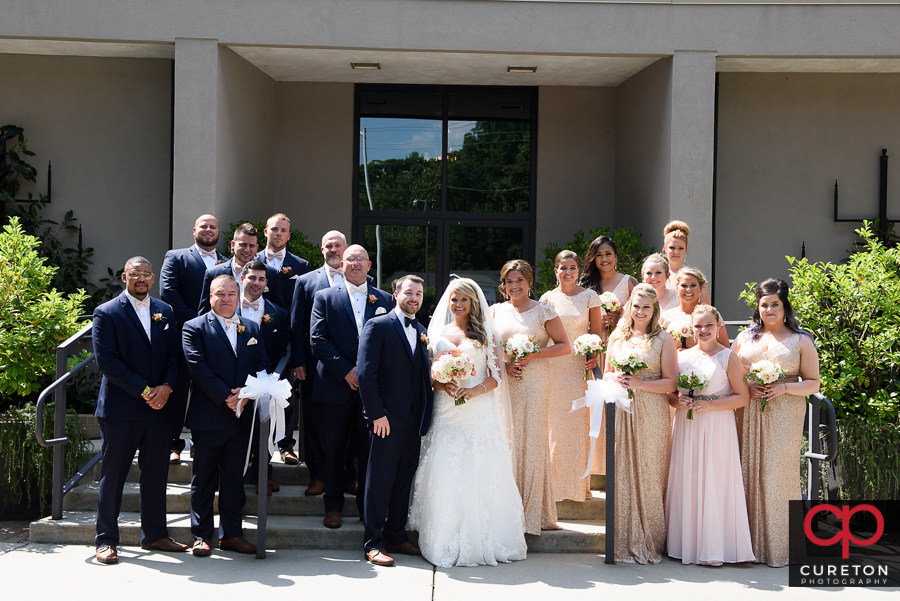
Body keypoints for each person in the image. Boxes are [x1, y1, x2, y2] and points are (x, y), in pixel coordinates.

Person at [409, 278, 527, 567]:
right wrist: (444, 385)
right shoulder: (436, 331)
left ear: (473, 302)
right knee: (445, 465)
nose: (458, 304)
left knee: (480, 467)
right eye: (453, 299)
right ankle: (442, 536)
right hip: (447, 409)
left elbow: (496, 376)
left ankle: (485, 536)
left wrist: (475, 390)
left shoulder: (487, 332)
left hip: (478, 410)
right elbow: (428, 376)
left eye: (463, 299)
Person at [91, 257, 186, 564]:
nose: (142, 278)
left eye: (147, 274)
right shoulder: (106, 312)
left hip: (159, 408)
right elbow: (108, 361)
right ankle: (106, 540)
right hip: (121, 408)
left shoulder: (165, 311)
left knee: (157, 474)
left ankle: (156, 534)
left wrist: (167, 387)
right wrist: (146, 391)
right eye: (136, 274)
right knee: (114, 475)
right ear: (124, 277)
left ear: (153, 277)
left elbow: (175, 353)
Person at [732, 278, 820, 568]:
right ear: (758, 307)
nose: (769, 309)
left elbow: (812, 383)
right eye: (764, 304)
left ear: (784, 307)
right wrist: (748, 384)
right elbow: (732, 372)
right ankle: (745, 547)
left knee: (776, 475)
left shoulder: (801, 340)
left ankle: (780, 549)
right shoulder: (745, 338)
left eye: (775, 304)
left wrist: (783, 388)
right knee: (746, 471)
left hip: (785, 413)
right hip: (748, 410)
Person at [182, 275, 268, 557]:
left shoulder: (252, 327)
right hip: (208, 415)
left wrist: (245, 393)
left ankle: (232, 534)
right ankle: (201, 536)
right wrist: (226, 396)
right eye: (220, 293)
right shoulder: (193, 327)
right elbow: (197, 366)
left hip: (242, 416)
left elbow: (262, 365)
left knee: (234, 479)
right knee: (204, 478)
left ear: (238, 294)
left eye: (232, 293)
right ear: (210, 296)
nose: (227, 298)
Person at [310, 245, 394, 530]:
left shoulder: (385, 299)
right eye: (350, 259)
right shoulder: (324, 297)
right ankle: (332, 506)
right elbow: (318, 339)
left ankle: (366, 510)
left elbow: (391, 344)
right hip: (335, 387)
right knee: (334, 450)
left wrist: (368, 375)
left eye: (361, 259)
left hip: (372, 391)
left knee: (369, 451)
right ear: (341, 265)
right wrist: (346, 371)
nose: (356, 264)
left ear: (369, 265)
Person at [665, 304, 754, 565]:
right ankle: (686, 545)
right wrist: (676, 401)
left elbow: (743, 398)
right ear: (691, 328)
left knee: (715, 480)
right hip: (687, 424)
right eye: (698, 326)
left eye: (708, 325)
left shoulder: (729, 357)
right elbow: (670, 394)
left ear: (718, 327)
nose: (703, 330)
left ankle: (716, 547)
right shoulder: (681, 357)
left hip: (717, 425)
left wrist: (710, 405)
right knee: (687, 479)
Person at [357, 275, 434, 567]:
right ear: (396, 293)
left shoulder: (423, 329)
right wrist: (377, 413)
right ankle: (373, 543)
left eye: (419, 293)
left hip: (414, 420)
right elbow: (365, 373)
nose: (414, 298)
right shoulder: (377, 326)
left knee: (404, 481)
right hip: (385, 420)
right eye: (409, 292)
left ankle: (397, 535)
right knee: (379, 482)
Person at [491, 259, 571, 535]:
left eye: (519, 281)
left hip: (536, 382)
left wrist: (533, 354)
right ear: (504, 285)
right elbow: (489, 348)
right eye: (509, 281)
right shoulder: (495, 311)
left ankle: (533, 513)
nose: (514, 286)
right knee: (507, 440)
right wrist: (505, 364)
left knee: (532, 442)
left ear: (529, 282)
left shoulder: (544, 311)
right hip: (506, 383)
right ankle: (506, 511)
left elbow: (564, 346)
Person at [603, 284, 677, 563]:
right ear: (629, 307)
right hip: (622, 410)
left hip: (652, 412)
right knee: (622, 472)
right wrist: (619, 378)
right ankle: (620, 540)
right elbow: (606, 374)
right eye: (636, 306)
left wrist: (639, 383)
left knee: (649, 472)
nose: (641, 311)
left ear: (655, 310)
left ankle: (650, 539)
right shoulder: (617, 337)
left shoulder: (663, 339)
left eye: (647, 307)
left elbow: (671, 382)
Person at [289, 230, 358, 494]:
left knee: (352, 423)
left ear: (346, 248)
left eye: (337, 245)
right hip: (316, 366)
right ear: (321, 250)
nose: (333, 250)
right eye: (328, 246)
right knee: (315, 424)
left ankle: (350, 476)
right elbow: (297, 325)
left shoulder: (366, 281)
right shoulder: (306, 282)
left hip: (351, 367)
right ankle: (317, 476)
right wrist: (298, 360)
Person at [160, 214, 226, 464]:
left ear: (219, 232)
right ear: (194, 230)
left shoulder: (226, 262)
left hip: (217, 339)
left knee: (208, 390)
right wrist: (195, 323)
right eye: (204, 226)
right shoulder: (176, 257)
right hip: (182, 335)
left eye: (213, 227)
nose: (208, 230)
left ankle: (201, 442)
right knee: (177, 391)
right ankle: (173, 444)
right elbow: (168, 292)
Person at [539, 251, 603, 502]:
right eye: (563, 267)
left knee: (576, 425)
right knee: (554, 426)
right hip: (553, 367)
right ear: (556, 271)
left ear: (579, 270)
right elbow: (544, 335)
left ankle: (576, 487)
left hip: (578, 369)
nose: (568, 272)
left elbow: (596, 335)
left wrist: (594, 355)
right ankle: (553, 487)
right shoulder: (547, 299)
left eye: (573, 267)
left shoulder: (590, 297)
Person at [579, 236, 635, 476]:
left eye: (608, 253)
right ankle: (594, 466)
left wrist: (619, 318)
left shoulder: (629, 281)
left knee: (616, 405)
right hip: (593, 350)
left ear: (616, 256)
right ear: (593, 258)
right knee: (592, 406)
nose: (604, 259)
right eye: (599, 254)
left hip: (619, 350)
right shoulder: (585, 284)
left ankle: (615, 464)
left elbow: (642, 313)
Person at [239, 260, 290, 497]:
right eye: (252, 278)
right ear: (242, 278)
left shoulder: (278, 314)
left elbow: (282, 350)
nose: (256, 283)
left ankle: (262, 474)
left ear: (267, 283)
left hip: (265, 381)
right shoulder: (229, 307)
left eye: (261, 279)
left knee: (264, 429)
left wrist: (273, 378)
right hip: (234, 381)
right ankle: (230, 474)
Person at [198, 223, 283, 315]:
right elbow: (204, 313)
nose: (247, 250)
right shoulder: (214, 273)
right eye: (243, 245)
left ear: (256, 248)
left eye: (251, 246)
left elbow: (277, 313)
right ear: (233, 244)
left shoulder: (271, 273)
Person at [660, 267, 729, 350]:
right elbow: (659, 350)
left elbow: (725, 349)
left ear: (700, 289)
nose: (688, 289)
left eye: (693, 285)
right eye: (684, 285)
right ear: (677, 289)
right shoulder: (665, 317)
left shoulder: (712, 315)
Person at [255, 212, 310, 312]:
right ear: (266, 232)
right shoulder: (253, 261)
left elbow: (304, 302)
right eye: (274, 229)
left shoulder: (301, 265)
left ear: (288, 236)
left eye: (283, 230)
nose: (279, 233)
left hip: (288, 324)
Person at [662, 220, 710, 304]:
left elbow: (706, 308)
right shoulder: (657, 274)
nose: (676, 252)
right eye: (672, 247)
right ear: (665, 248)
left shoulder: (696, 275)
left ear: (686, 249)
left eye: (680, 248)